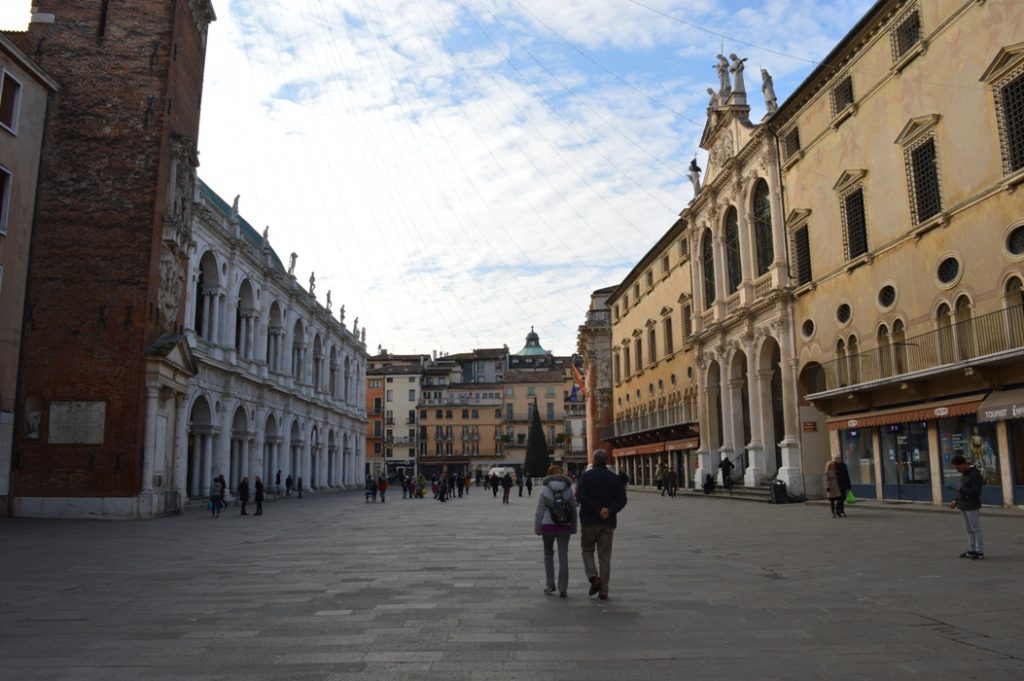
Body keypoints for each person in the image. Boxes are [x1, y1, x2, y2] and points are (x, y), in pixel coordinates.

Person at [576, 450, 627, 601]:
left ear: (594, 460)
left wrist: (596, 510)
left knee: (587, 551)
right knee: (605, 557)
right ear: (606, 461)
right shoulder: (614, 478)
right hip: (608, 522)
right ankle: (603, 590)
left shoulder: (586, 476)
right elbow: (622, 499)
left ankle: (593, 578)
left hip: (589, 521)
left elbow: (580, 496)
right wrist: (609, 510)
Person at [535, 464, 578, 598]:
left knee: (548, 554)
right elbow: (573, 510)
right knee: (563, 556)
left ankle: (550, 584)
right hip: (565, 526)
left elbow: (539, 510)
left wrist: (537, 528)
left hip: (547, 526)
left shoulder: (544, 489)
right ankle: (563, 588)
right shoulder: (569, 490)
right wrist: (574, 527)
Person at [949, 455, 984, 559]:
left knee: (975, 528)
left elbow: (976, 492)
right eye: (955, 468)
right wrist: (956, 500)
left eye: (958, 467)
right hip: (963, 505)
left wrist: (960, 490)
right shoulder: (964, 474)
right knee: (968, 529)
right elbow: (963, 490)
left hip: (972, 505)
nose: (957, 470)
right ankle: (971, 550)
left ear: (964, 464)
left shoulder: (975, 474)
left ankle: (979, 552)